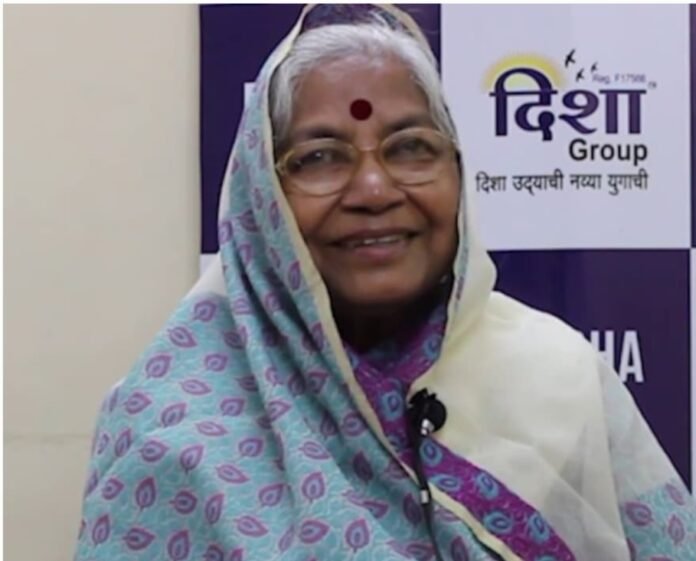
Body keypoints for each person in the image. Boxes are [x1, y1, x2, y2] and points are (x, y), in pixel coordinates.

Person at [73, 5, 696, 561]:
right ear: (261, 196)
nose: (374, 190)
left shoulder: (558, 376)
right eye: (320, 157)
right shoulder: (172, 428)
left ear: (457, 172)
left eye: (410, 148)